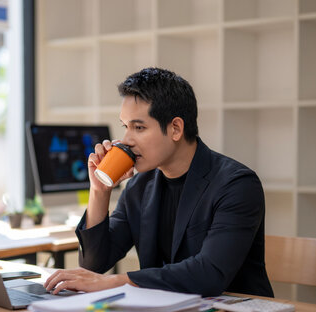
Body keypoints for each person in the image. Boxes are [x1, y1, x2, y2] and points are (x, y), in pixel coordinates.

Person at [45, 67, 274, 298]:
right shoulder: (140, 186)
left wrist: (115, 282)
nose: (126, 141)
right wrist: (99, 191)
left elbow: (209, 274)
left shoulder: (237, 185)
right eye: (126, 127)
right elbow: (93, 265)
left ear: (175, 128)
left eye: (139, 127)